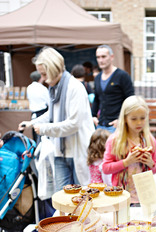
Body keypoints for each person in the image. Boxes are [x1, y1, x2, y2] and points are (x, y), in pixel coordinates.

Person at [18, 47, 95, 192]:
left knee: (83, 199)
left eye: (44, 74)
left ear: (53, 69)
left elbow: (73, 124)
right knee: (61, 198)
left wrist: (44, 128)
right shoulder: (55, 89)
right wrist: (33, 123)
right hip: (60, 150)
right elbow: (52, 113)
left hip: (77, 151)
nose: (44, 79)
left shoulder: (75, 88)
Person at [102, 95, 156, 205]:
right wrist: (126, 162)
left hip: (144, 197)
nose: (139, 123)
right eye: (134, 119)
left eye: (142, 118)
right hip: (120, 196)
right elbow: (105, 168)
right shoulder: (115, 140)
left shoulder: (149, 140)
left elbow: (155, 169)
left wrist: (150, 163)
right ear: (125, 119)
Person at [92, 45, 134, 133]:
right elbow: (96, 99)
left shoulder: (122, 76)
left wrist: (121, 119)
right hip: (101, 125)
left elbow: (130, 100)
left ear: (111, 57)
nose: (101, 60)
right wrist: (93, 116)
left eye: (103, 56)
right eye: (98, 57)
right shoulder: (97, 78)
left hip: (116, 125)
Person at [26, 70, 49, 144]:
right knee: (43, 136)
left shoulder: (29, 87)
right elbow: (49, 102)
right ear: (41, 78)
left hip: (33, 113)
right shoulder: (43, 88)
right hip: (42, 112)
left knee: (35, 134)